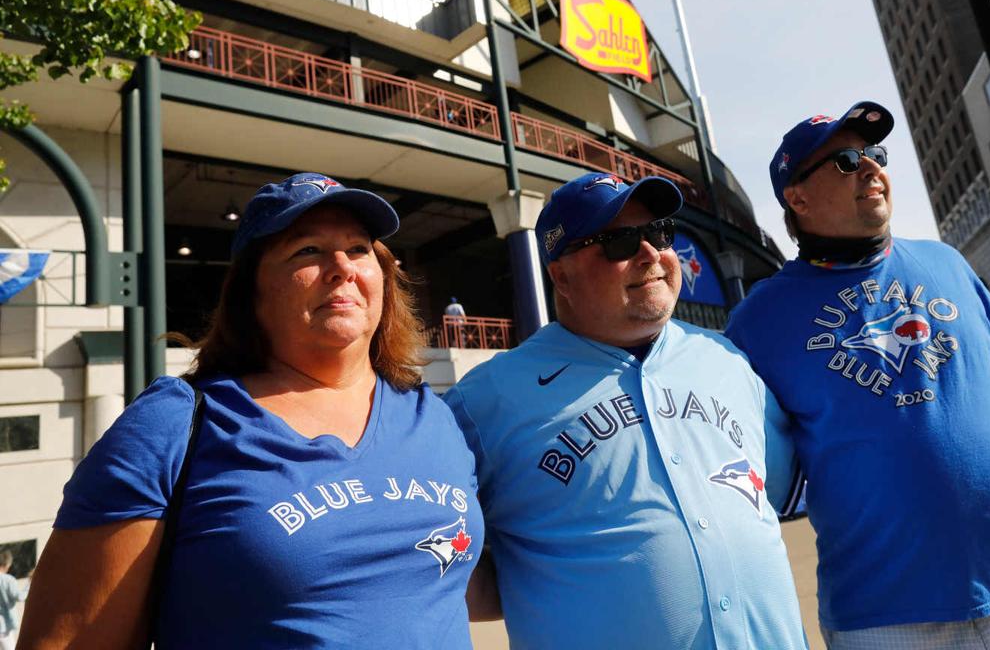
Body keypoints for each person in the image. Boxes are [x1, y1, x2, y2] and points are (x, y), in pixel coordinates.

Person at [18, 172, 496, 649]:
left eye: (357, 248)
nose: (341, 267)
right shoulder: (174, 423)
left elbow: (436, 587)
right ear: (252, 290)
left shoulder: (432, 415)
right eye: (306, 250)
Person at [725, 102, 990, 649]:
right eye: (847, 161)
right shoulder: (758, 321)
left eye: (875, 155)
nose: (871, 168)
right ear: (796, 197)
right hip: (885, 621)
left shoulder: (948, 264)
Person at [443, 171, 809, 650]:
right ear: (561, 275)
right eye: (618, 241)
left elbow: (767, 496)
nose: (651, 253)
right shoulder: (485, 400)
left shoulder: (727, 359)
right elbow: (424, 544)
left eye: (659, 233)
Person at [0, 550, 27, 650]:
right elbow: (20, 597)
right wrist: (29, 584)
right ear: (7, 564)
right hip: (4, 626)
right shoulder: (8, 580)